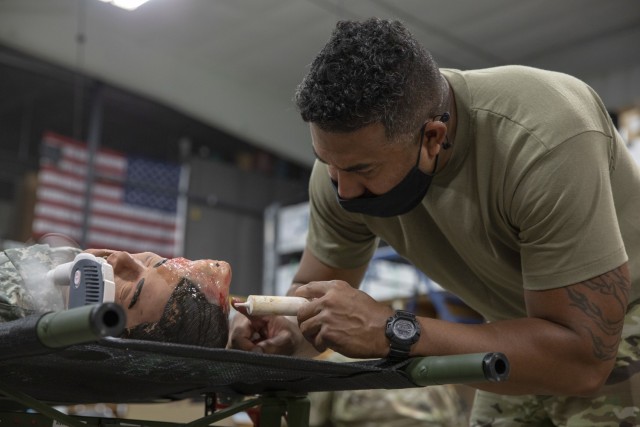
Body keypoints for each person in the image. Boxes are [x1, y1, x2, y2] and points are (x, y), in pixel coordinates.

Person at [228, 18, 640, 425]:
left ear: (432, 138)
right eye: (328, 163)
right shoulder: (341, 171)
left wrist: (394, 331)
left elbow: (584, 362)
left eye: (363, 170)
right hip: (516, 328)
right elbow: (309, 295)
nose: (345, 191)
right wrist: (286, 332)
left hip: (617, 324)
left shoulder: (543, 140)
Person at [1, 235, 232, 348]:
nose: (121, 257)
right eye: (150, 260)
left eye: (126, 291)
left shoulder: (13, 308)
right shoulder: (70, 279)